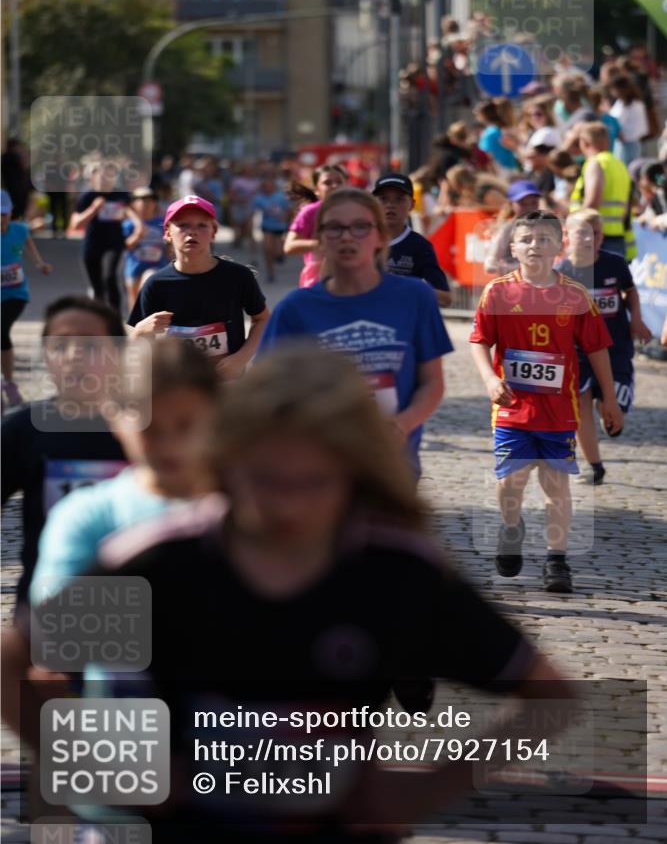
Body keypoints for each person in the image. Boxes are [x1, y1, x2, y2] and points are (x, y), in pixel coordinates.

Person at [2, 346, 574, 842]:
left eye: (315, 483)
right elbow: (25, 670)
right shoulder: (163, 564)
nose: (289, 506)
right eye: (265, 480)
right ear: (228, 461)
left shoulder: (395, 573)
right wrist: (109, 768)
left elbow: (552, 700)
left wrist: (428, 790)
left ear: (355, 473)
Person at [470, 210, 623, 593]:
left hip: (560, 411)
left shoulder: (574, 295)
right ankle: (511, 526)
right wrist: (489, 378)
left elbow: (598, 348)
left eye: (544, 239)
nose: (535, 245)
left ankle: (557, 560)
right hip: (511, 407)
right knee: (510, 481)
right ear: (513, 247)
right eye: (527, 239)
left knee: (556, 484)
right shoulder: (499, 292)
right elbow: (480, 340)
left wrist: (608, 398)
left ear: (559, 246)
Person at [259, 188, 453, 475]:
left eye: (361, 227)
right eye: (335, 228)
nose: (347, 237)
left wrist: (400, 425)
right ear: (320, 239)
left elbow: (432, 383)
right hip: (320, 470)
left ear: (381, 236)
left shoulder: (416, 298)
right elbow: (265, 392)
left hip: (392, 467)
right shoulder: (295, 309)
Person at [29, 337, 222, 601]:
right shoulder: (86, 518)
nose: (169, 445)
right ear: (113, 416)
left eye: (185, 425)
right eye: (149, 429)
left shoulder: (252, 510)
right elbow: (54, 628)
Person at [1, 296, 127, 608]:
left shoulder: (151, 431)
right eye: (60, 346)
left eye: (90, 347)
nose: (73, 356)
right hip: (46, 614)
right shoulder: (23, 431)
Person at [128, 195, 269, 379]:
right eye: (183, 225)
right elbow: (135, 345)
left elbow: (263, 320)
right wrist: (140, 331)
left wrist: (240, 359)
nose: (192, 232)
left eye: (202, 225)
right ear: (168, 233)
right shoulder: (156, 284)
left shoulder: (238, 276)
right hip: (180, 383)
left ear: (213, 232)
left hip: (226, 380)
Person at [557, 209, 651, 484]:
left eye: (595, 233)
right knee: (580, 406)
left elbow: (630, 291)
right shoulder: (562, 272)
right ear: (566, 237)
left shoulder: (615, 264)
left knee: (613, 414)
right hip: (579, 353)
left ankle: (610, 410)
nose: (589, 239)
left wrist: (637, 320)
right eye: (581, 233)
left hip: (615, 349)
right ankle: (594, 465)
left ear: (602, 237)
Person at [1, 189, 53, 410]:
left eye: (3, 214)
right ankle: (9, 384)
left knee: (2, 329)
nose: (0, 219)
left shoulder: (19, 229)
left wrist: (40, 263)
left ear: (11, 212)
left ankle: (9, 384)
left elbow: (28, 243)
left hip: (15, 294)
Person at [372, 173, 451, 307]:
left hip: (403, 322)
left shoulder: (420, 246)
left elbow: (445, 298)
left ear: (412, 204)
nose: (390, 205)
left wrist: (404, 288)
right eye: (383, 199)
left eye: (399, 199)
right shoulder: (360, 240)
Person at [68, 164, 130, 310]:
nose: (105, 178)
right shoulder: (87, 196)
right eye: (101, 175)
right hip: (93, 243)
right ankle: (100, 316)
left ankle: (115, 315)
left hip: (114, 242)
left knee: (110, 277)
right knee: (97, 285)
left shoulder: (121, 195)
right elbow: (75, 224)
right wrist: (94, 209)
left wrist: (126, 216)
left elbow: (134, 214)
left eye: (109, 175)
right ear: (93, 178)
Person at [569, 121, 633, 258]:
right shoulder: (620, 165)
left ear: (585, 142)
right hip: (616, 235)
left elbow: (592, 202)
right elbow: (626, 207)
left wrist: (575, 227)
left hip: (596, 237)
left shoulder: (595, 163)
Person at [284, 164, 347, 287]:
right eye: (327, 183)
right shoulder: (310, 212)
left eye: (339, 181)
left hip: (348, 282)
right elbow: (289, 246)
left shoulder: (356, 210)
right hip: (317, 284)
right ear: (316, 190)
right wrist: (322, 244)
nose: (335, 186)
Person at [122, 187, 169, 311]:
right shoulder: (128, 225)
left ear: (154, 203)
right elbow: (124, 247)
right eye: (140, 200)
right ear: (133, 204)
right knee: (133, 306)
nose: (145, 203)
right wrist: (138, 233)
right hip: (134, 266)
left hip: (157, 265)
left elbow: (170, 247)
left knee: (148, 282)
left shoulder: (163, 223)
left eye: (149, 199)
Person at [484, 180, 541, 276]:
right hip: (514, 280)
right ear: (511, 204)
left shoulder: (544, 225)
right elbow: (492, 257)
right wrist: (493, 265)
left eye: (533, 203)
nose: (529, 207)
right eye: (523, 204)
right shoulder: (508, 228)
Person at [250, 172, 292, 283]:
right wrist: (251, 225)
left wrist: (288, 221)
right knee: (267, 249)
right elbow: (253, 212)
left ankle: (279, 255)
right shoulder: (258, 198)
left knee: (277, 251)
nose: (267, 188)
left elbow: (288, 210)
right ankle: (270, 273)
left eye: (270, 185)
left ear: (274, 186)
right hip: (267, 226)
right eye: (265, 186)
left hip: (280, 226)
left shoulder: (280, 197)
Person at [609, 76, 649, 166]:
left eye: (613, 89)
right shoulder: (624, 103)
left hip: (628, 144)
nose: (611, 91)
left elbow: (617, 122)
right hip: (626, 143)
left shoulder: (630, 105)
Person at [475, 98, 520, 176]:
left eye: (478, 115)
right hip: (511, 167)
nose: (477, 117)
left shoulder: (490, 132)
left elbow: (488, 155)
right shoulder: (499, 128)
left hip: (500, 170)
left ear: (483, 114)